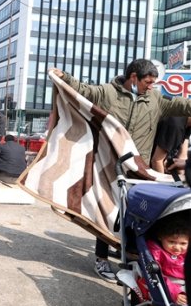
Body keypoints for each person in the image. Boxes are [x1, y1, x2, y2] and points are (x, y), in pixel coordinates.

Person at [51, 59, 191, 282]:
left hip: (139, 168)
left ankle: (129, 256)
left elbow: (181, 105)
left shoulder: (155, 99)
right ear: (133, 77)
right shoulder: (108, 92)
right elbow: (84, 91)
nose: (151, 86)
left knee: (135, 215)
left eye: (154, 82)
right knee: (108, 212)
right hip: (109, 165)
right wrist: (65, 77)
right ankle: (101, 259)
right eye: (148, 81)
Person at [145, 212, 190, 305]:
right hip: (168, 286)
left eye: (183, 243)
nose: (177, 247)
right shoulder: (157, 251)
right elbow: (158, 277)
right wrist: (175, 293)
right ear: (160, 237)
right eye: (172, 242)